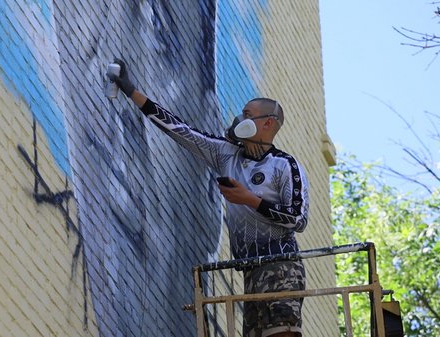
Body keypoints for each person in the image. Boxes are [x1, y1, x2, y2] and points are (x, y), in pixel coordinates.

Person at [108, 59, 309, 337]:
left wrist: (249, 199)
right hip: (249, 270)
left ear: (268, 124)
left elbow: (298, 219)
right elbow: (180, 131)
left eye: (248, 114)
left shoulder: (284, 164)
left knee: (281, 332)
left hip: (281, 265)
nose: (241, 120)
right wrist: (131, 90)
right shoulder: (225, 154)